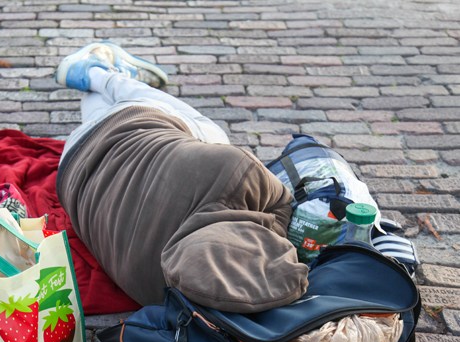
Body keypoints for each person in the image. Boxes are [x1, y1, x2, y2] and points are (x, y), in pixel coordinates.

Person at [55, 42, 309, 314]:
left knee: (210, 131)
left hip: (130, 122)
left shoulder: (234, 168)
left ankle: (102, 74)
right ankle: (99, 76)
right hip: (71, 172)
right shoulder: (158, 298)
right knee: (101, 116)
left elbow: (283, 202)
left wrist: (273, 234)